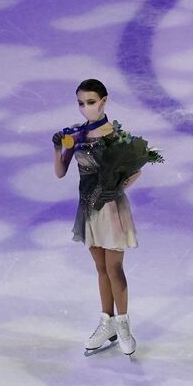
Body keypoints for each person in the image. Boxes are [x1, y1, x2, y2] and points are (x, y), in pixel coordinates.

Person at [53, 78, 141, 356]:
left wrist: (117, 187)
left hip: (111, 208)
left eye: (90, 102)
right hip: (88, 208)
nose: (85, 108)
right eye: (81, 103)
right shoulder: (77, 135)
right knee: (101, 268)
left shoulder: (115, 135)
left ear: (103, 101)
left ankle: (124, 325)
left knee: (115, 268)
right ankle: (107, 323)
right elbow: (60, 172)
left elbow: (135, 169)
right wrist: (59, 148)